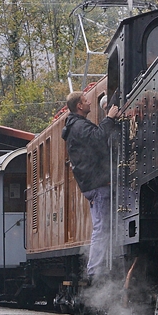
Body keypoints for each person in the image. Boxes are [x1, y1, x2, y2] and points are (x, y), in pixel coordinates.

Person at [61, 91, 119, 278]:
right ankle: (95, 269)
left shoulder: (75, 126)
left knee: (103, 225)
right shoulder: (78, 126)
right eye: (86, 101)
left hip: (93, 183)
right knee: (101, 227)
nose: (89, 103)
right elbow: (97, 138)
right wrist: (109, 118)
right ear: (79, 105)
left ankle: (101, 266)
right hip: (97, 183)